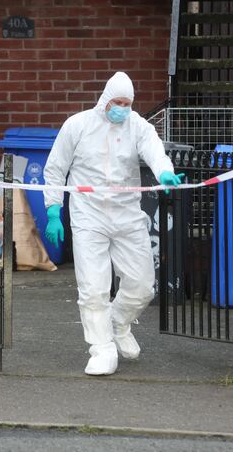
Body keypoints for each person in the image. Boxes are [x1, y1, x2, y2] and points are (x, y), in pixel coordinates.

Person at [43, 72, 184, 376]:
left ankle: (118, 323)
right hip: (88, 216)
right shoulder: (77, 126)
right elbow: (55, 170)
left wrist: (165, 174)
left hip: (127, 214)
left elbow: (155, 152)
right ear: (105, 100)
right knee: (93, 287)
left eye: (127, 103)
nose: (122, 108)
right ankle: (102, 348)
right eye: (117, 102)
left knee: (143, 284)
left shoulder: (138, 127)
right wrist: (54, 211)